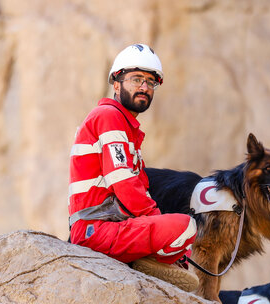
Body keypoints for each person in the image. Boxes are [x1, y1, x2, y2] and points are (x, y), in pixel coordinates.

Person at [68, 43, 198, 291]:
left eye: (151, 83)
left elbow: (138, 188)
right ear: (116, 84)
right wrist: (161, 227)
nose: (144, 87)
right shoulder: (109, 117)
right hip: (96, 231)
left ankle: (152, 260)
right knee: (185, 226)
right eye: (137, 79)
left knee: (180, 240)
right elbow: (125, 185)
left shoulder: (125, 128)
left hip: (109, 226)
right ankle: (147, 260)